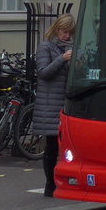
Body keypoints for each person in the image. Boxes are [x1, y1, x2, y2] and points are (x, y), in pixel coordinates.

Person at [34, 13, 74, 198]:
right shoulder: (45, 47)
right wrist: (62, 59)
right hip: (49, 104)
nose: (67, 36)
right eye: (64, 32)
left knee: (64, 147)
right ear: (57, 29)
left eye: (69, 33)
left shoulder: (70, 47)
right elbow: (44, 73)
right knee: (51, 146)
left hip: (63, 103)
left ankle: (62, 182)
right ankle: (49, 185)